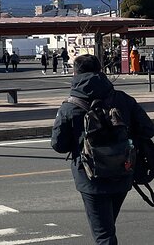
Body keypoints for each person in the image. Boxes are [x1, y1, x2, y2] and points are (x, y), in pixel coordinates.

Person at [51, 54, 154, 244]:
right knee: (108, 227)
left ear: (75, 74)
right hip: (123, 171)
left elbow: (58, 145)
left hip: (90, 178)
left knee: (104, 235)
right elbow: (148, 129)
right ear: (101, 71)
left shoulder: (69, 107)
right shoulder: (123, 99)